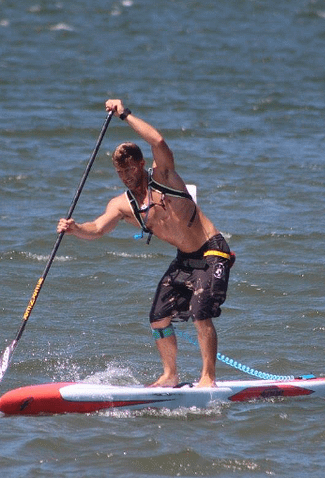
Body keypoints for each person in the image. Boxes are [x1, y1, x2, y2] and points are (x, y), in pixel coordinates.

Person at [57, 99, 234, 387]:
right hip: (185, 259)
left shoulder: (164, 177)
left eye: (130, 169)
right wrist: (75, 229)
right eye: (121, 173)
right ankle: (170, 375)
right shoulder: (122, 205)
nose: (126, 177)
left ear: (141, 164)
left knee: (201, 313)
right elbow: (98, 228)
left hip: (212, 251)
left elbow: (158, 141)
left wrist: (124, 114)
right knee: (158, 316)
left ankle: (208, 378)